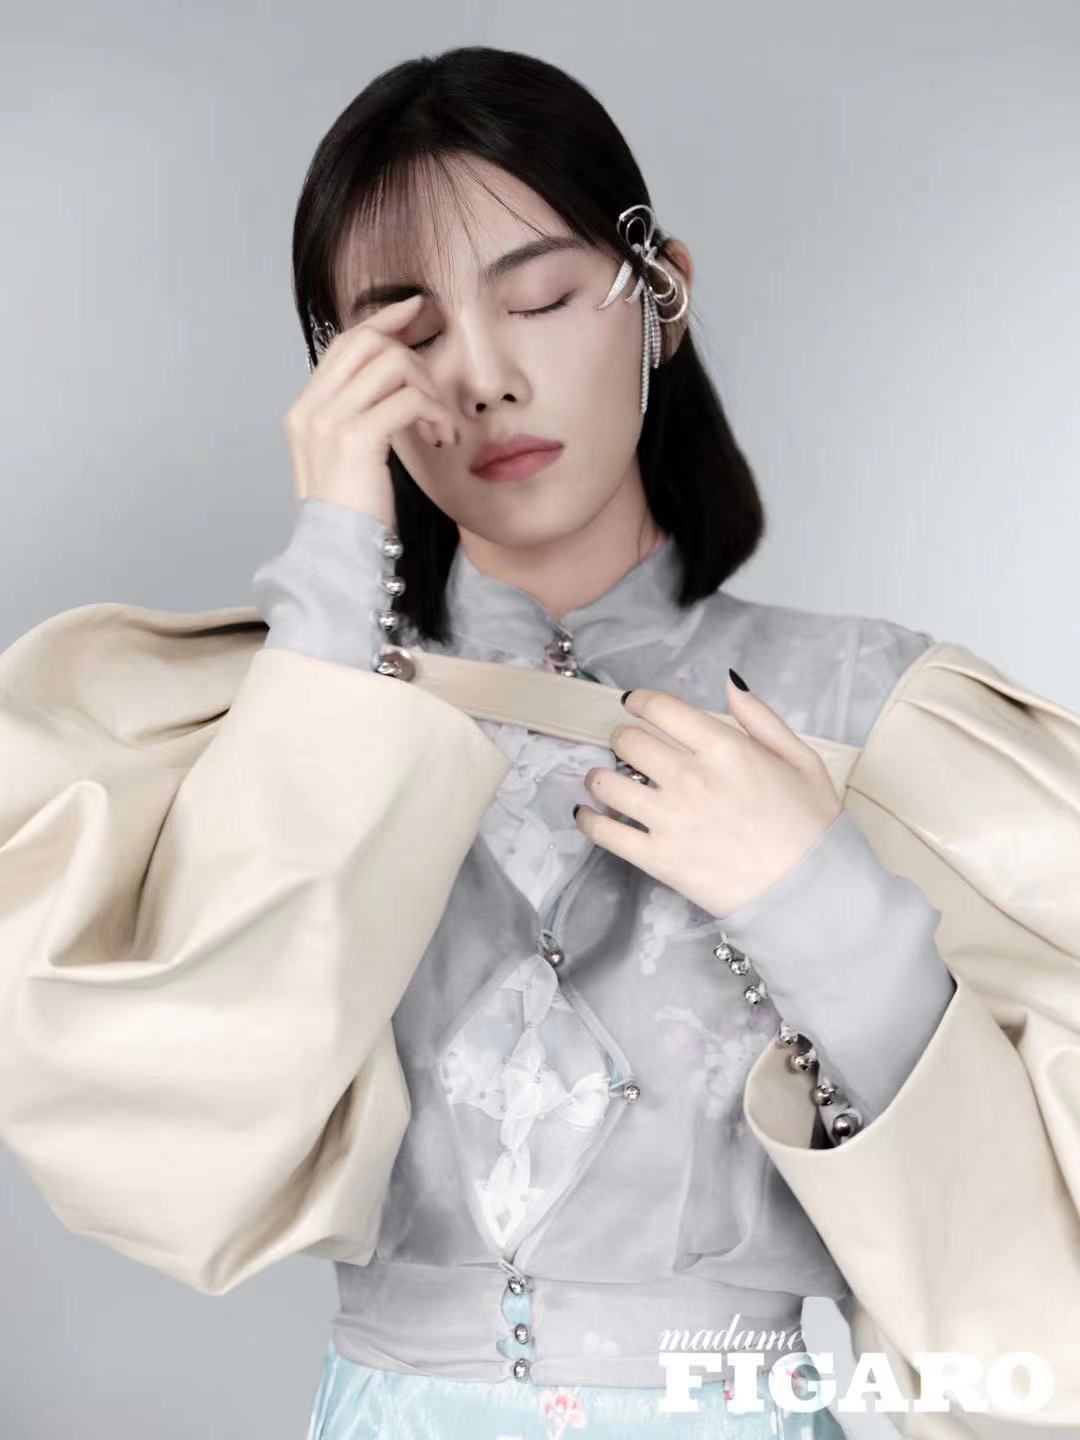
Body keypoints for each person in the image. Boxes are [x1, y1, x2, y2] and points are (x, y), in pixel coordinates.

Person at [249, 45, 957, 1439]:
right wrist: (330, 574)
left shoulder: (868, 699)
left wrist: (814, 897)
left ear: (659, 297)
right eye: (406, 336)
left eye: (541, 300)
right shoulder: (304, 707)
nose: (484, 379)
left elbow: (1002, 1185)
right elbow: (215, 1088)